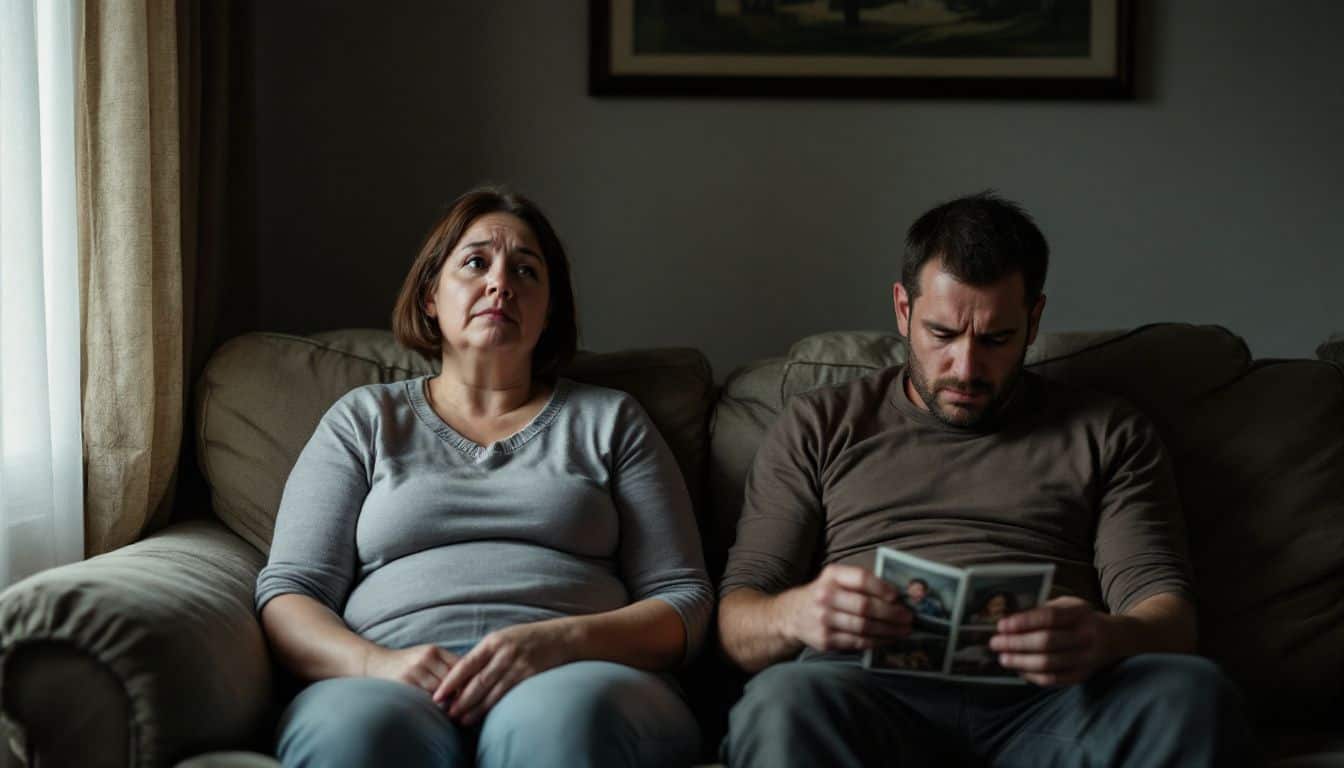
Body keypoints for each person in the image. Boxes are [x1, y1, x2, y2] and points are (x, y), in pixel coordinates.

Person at [716, 192, 1256, 767]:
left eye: (997, 339)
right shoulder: (820, 423)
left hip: (1051, 702)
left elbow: (1167, 615)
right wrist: (797, 614)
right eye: (943, 335)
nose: (967, 369)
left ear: (1035, 319)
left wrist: (1104, 637)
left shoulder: (1109, 432)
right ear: (903, 309)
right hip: (867, 694)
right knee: (779, 702)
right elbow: (737, 619)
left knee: (1190, 693)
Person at [255, 188, 712, 768]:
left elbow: (685, 602)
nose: (502, 283)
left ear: (549, 313)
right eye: (476, 262)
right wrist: (376, 665)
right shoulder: (365, 419)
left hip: (576, 679)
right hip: (389, 681)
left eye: (526, 271)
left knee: (559, 722)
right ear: (429, 295)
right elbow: (291, 592)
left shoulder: (610, 420)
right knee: (359, 735)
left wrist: (561, 643)